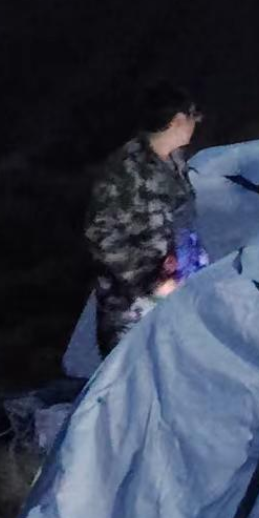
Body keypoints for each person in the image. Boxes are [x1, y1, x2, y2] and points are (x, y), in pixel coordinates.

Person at [84, 82, 208, 356]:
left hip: (176, 297)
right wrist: (152, 283)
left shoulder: (174, 162)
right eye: (193, 116)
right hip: (133, 309)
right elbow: (101, 236)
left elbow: (181, 220)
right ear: (177, 120)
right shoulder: (125, 171)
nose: (196, 123)